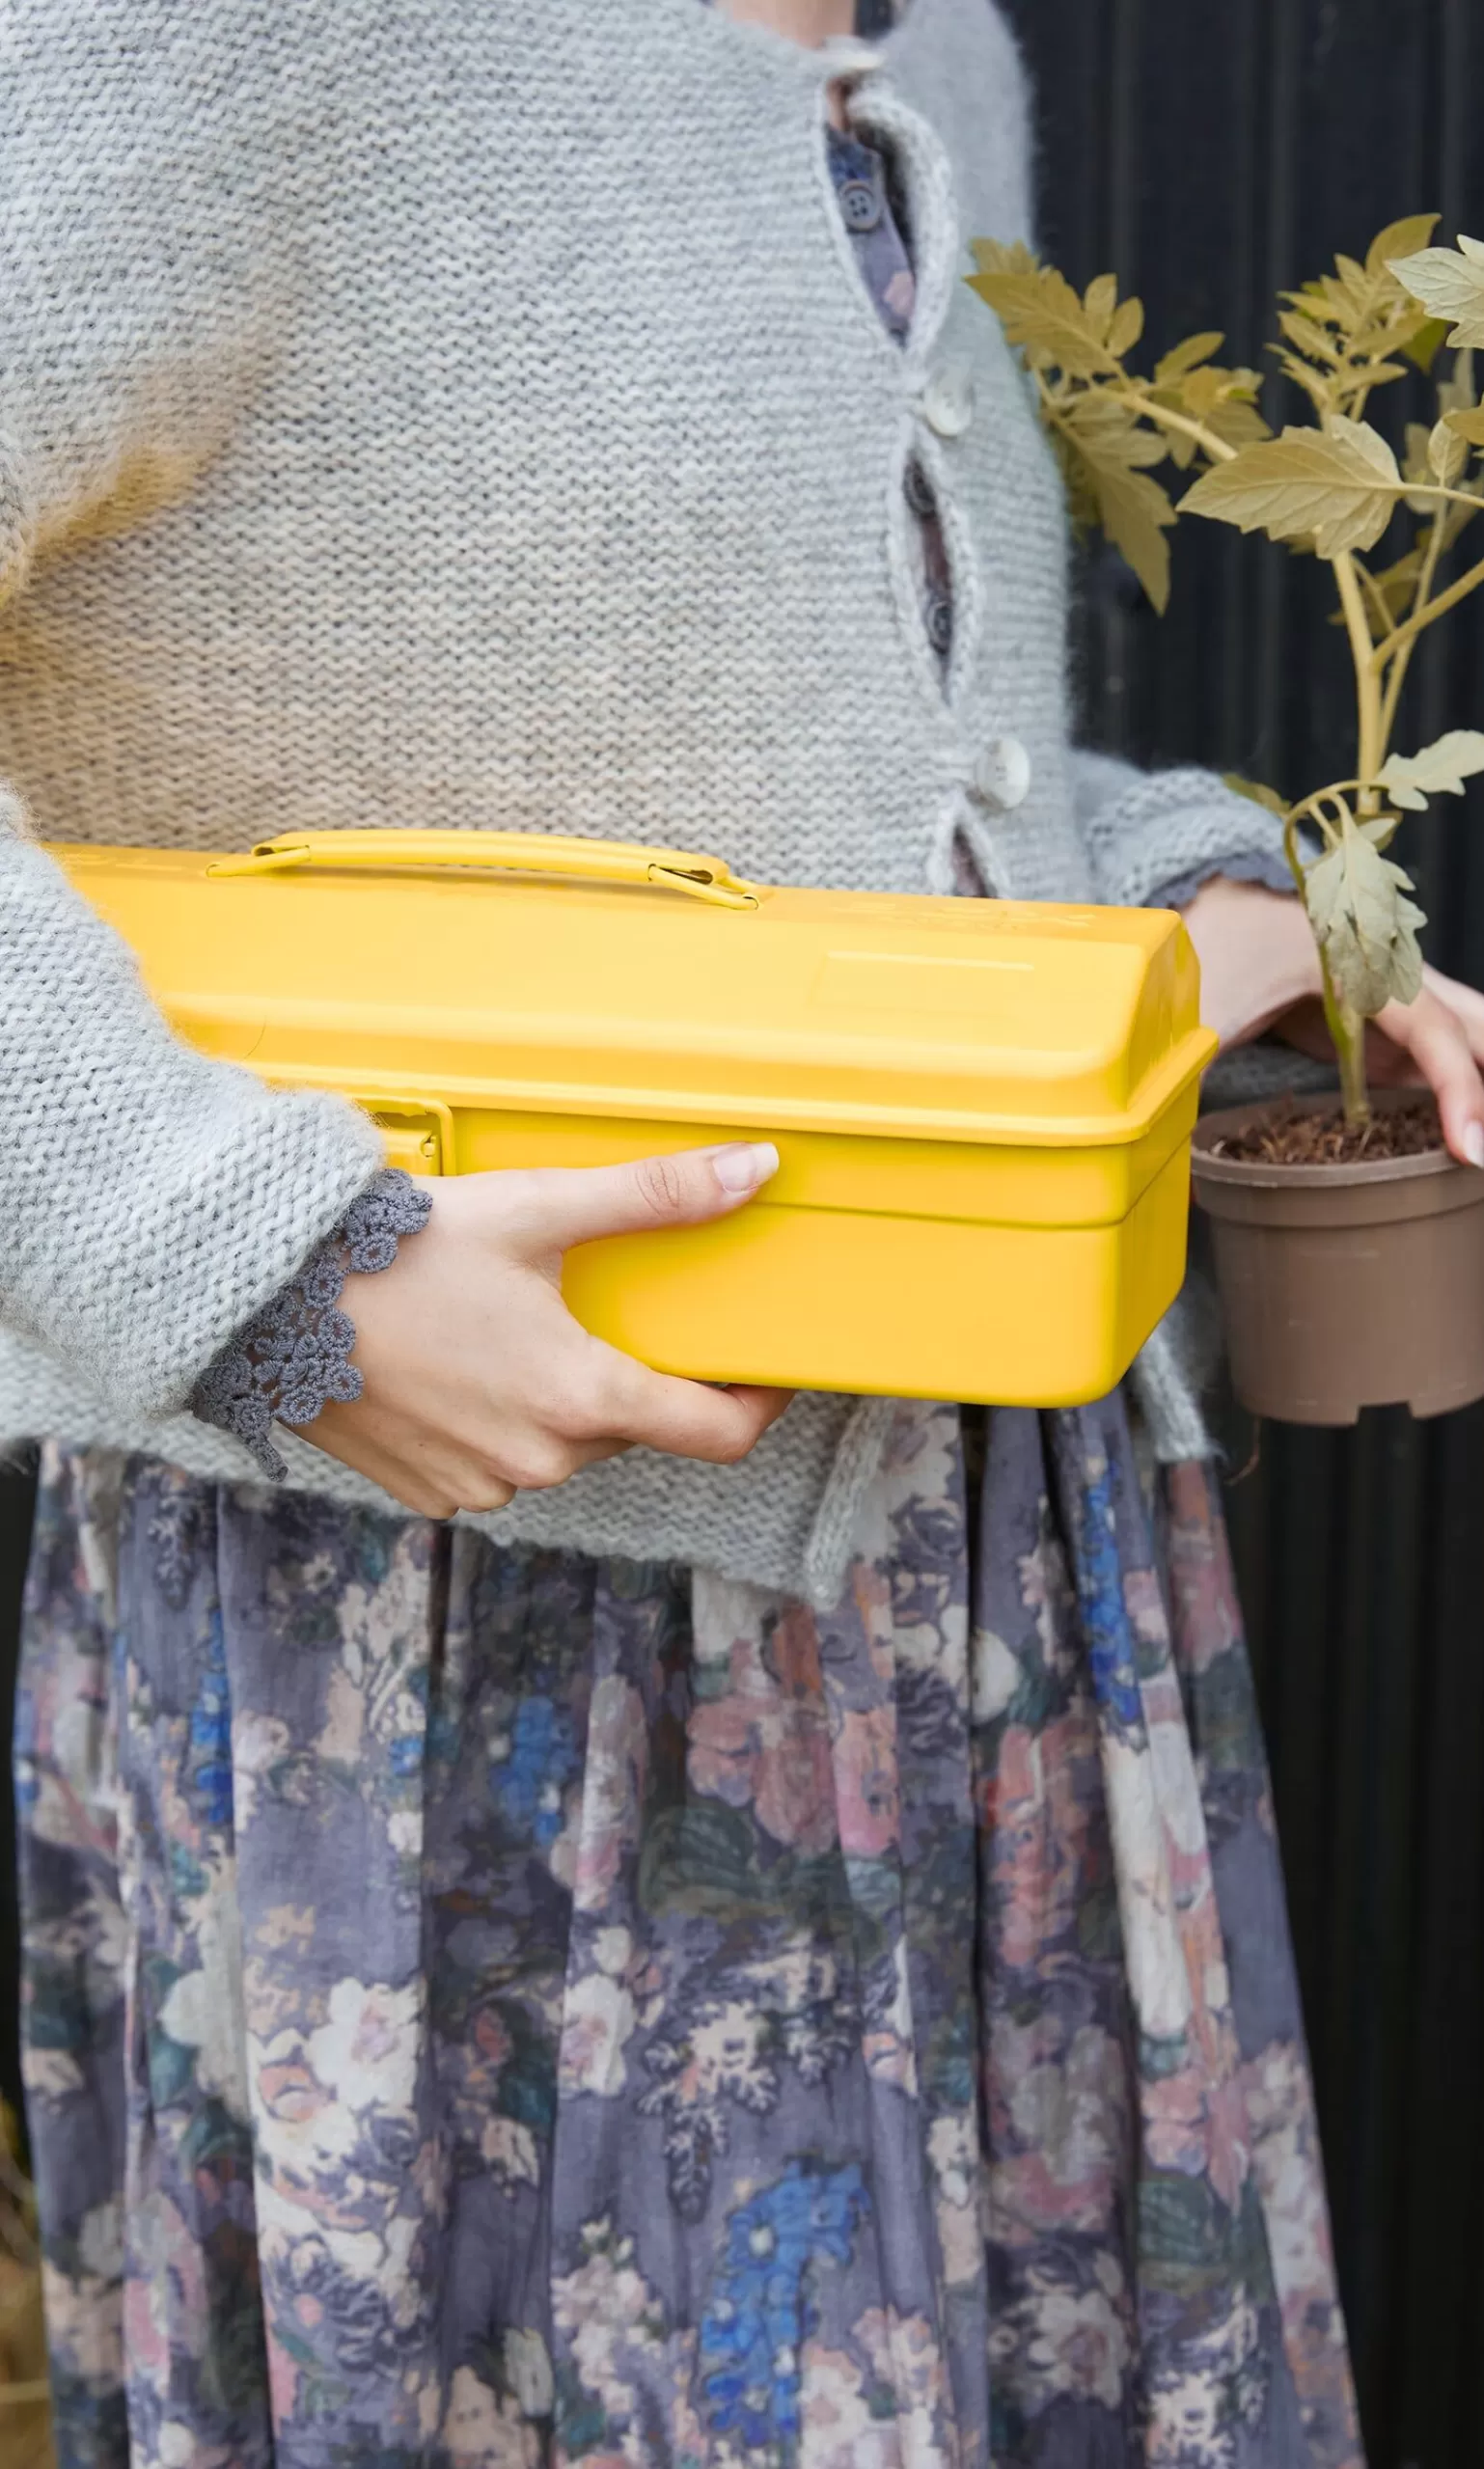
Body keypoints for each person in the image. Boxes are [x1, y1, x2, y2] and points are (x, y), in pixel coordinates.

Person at [8, 2, 1481, 2462]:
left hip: (995, 1578)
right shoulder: (228, 36)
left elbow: (869, 797)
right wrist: (250, 1261)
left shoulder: (937, 66)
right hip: (442, 1619)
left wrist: (1237, 897)